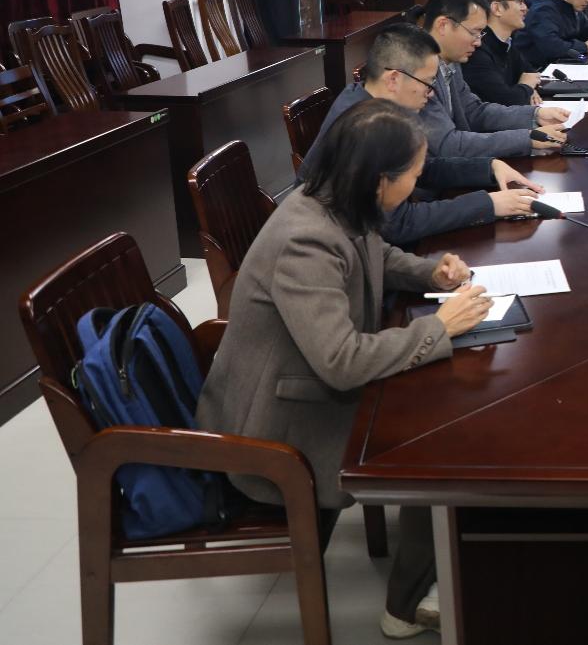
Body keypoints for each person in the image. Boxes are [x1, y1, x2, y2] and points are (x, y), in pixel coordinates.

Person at [197, 100, 495, 638]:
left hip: (297, 389)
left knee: (446, 406)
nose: (418, 182)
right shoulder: (305, 240)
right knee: (439, 440)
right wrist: (439, 328)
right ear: (380, 180)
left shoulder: (335, 202)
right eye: (414, 175)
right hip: (277, 429)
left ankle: (441, 559)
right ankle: (406, 605)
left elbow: (374, 255)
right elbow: (341, 361)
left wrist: (432, 272)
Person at [299, 23, 544, 247]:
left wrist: (488, 168)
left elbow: (422, 169)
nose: (432, 93)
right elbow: (397, 225)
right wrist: (487, 205)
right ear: (394, 79)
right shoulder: (364, 127)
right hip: (348, 255)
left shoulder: (373, 102)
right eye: (428, 83)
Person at [421, 0, 569, 157]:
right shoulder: (417, 71)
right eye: (474, 32)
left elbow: (474, 111)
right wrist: (526, 138)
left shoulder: (450, 61)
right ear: (443, 25)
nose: (478, 42)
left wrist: (535, 115)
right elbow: (448, 145)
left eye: (481, 33)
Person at [462, 0, 542, 107]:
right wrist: (526, 87)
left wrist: (526, 88)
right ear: (497, 8)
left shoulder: (506, 42)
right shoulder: (476, 50)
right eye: (518, 1)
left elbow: (530, 73)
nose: (525, 8)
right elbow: (505, 101)